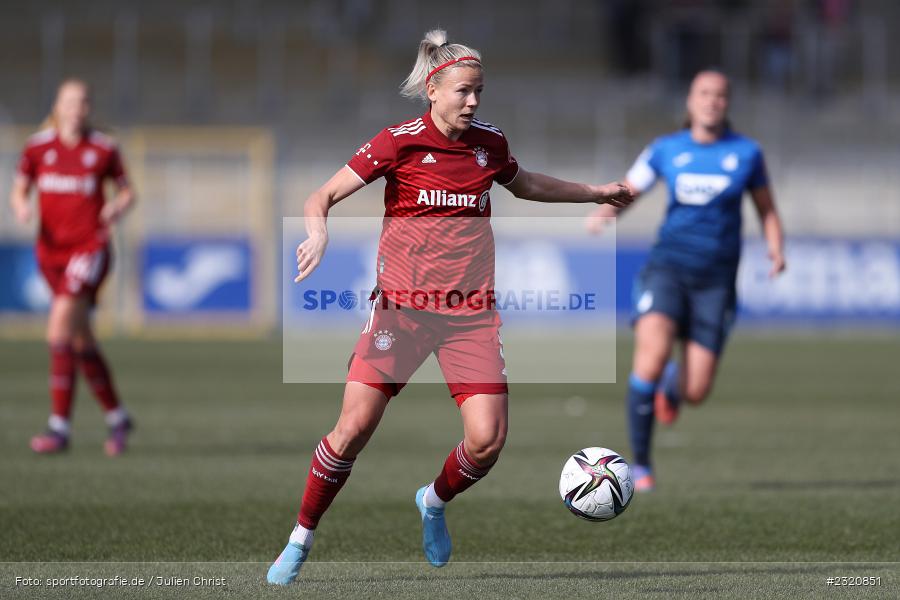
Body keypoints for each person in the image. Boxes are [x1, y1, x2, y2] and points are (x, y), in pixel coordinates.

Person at [267, 29, 633, 585]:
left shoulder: (490, 143)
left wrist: (596, 191)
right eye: (464, 90)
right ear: (434, 89)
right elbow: (320, 195)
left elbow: (527, 184)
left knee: (486, 441)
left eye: (479, 91)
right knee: (353, 429)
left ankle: (434, 501)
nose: (474, 101)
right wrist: (317, 233)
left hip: (470, 316)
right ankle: (301, 535)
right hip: (401, 311)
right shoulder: (397, 142)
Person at [586, 70, 786, 492]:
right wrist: (606, 212)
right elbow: (631, 189)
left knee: (696, 390)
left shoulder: (747, 153)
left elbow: (766, 208)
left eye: (720, 95)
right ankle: (640, 467)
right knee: (651, 355)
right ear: (691, 101)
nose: (712, 101)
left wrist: (776, 247)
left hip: (716, 282)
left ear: (727, 103)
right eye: (704, 93)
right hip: (668, 270)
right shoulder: (665, 149)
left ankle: (673, 389)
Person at [10, 78, 136, 456]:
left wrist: (116, 206)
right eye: (70, 101)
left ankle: (59, 427)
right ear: (58, 105)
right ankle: (117, 418)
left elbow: (128, 191)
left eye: (83, 101)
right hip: (50, 253)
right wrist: (20, 205)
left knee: (58, 329)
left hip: (89, 249)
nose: (76, 108)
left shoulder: (102, 149)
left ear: (88, 108)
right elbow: (20, 186)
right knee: (81, 342)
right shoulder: (38, 148)